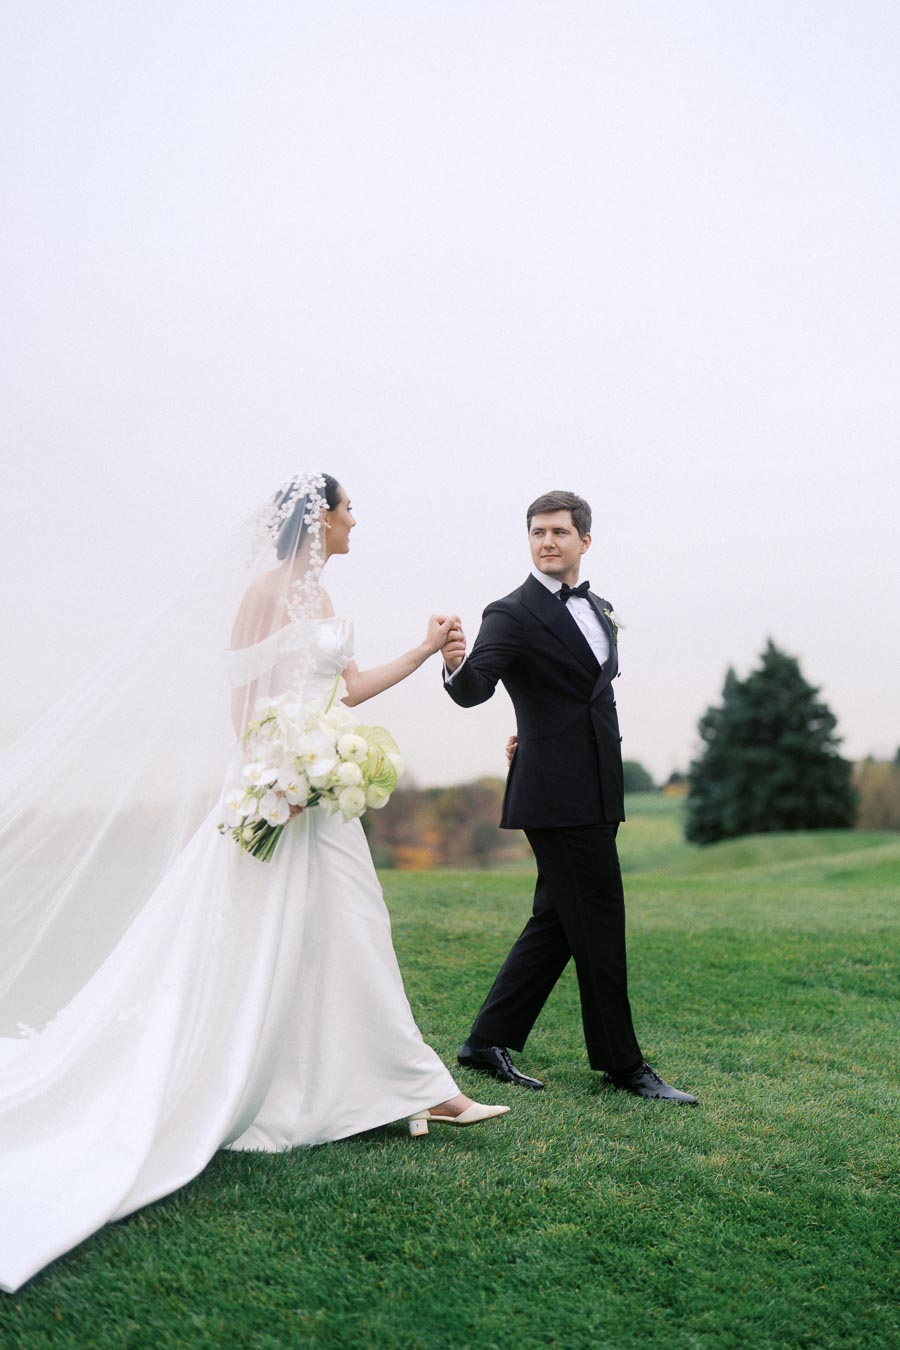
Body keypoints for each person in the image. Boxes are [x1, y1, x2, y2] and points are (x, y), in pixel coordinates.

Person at [0, 471, 507, 1294]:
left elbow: (343, 690)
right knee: (250, 939)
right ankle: (360, 1088)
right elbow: (241, 703)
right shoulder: (262, 595)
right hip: (281, 792)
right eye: (348, 509)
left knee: (351, 932)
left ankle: (399, 1085)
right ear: (320, 517)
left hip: (324, 799)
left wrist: (418, 654)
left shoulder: (322, 598)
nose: (355, 521)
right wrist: (284, 772)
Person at [441, 489, 696, 1104]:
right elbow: (477, 687)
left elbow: (586, 693)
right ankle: (623, 1065)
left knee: (557, 918)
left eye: (558, 531)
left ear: (585, 539)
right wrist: (453, 663)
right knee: (601, 920)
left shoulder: (600, 608)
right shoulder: (510, 611)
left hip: (599, 788)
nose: (547, 541)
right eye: (537, 532)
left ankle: (486, 1040)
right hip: (555, 796)